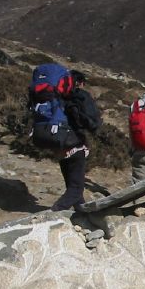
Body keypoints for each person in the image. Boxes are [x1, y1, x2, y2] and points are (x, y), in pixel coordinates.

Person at [51, 70, 101, 211]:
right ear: (79, 83)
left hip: (59, 146)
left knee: (72, 185)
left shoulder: (56, 97)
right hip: (75, 144)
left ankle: (82, 214)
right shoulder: (77, 97)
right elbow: (91, 122)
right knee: (76, 189)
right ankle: (52, 214)